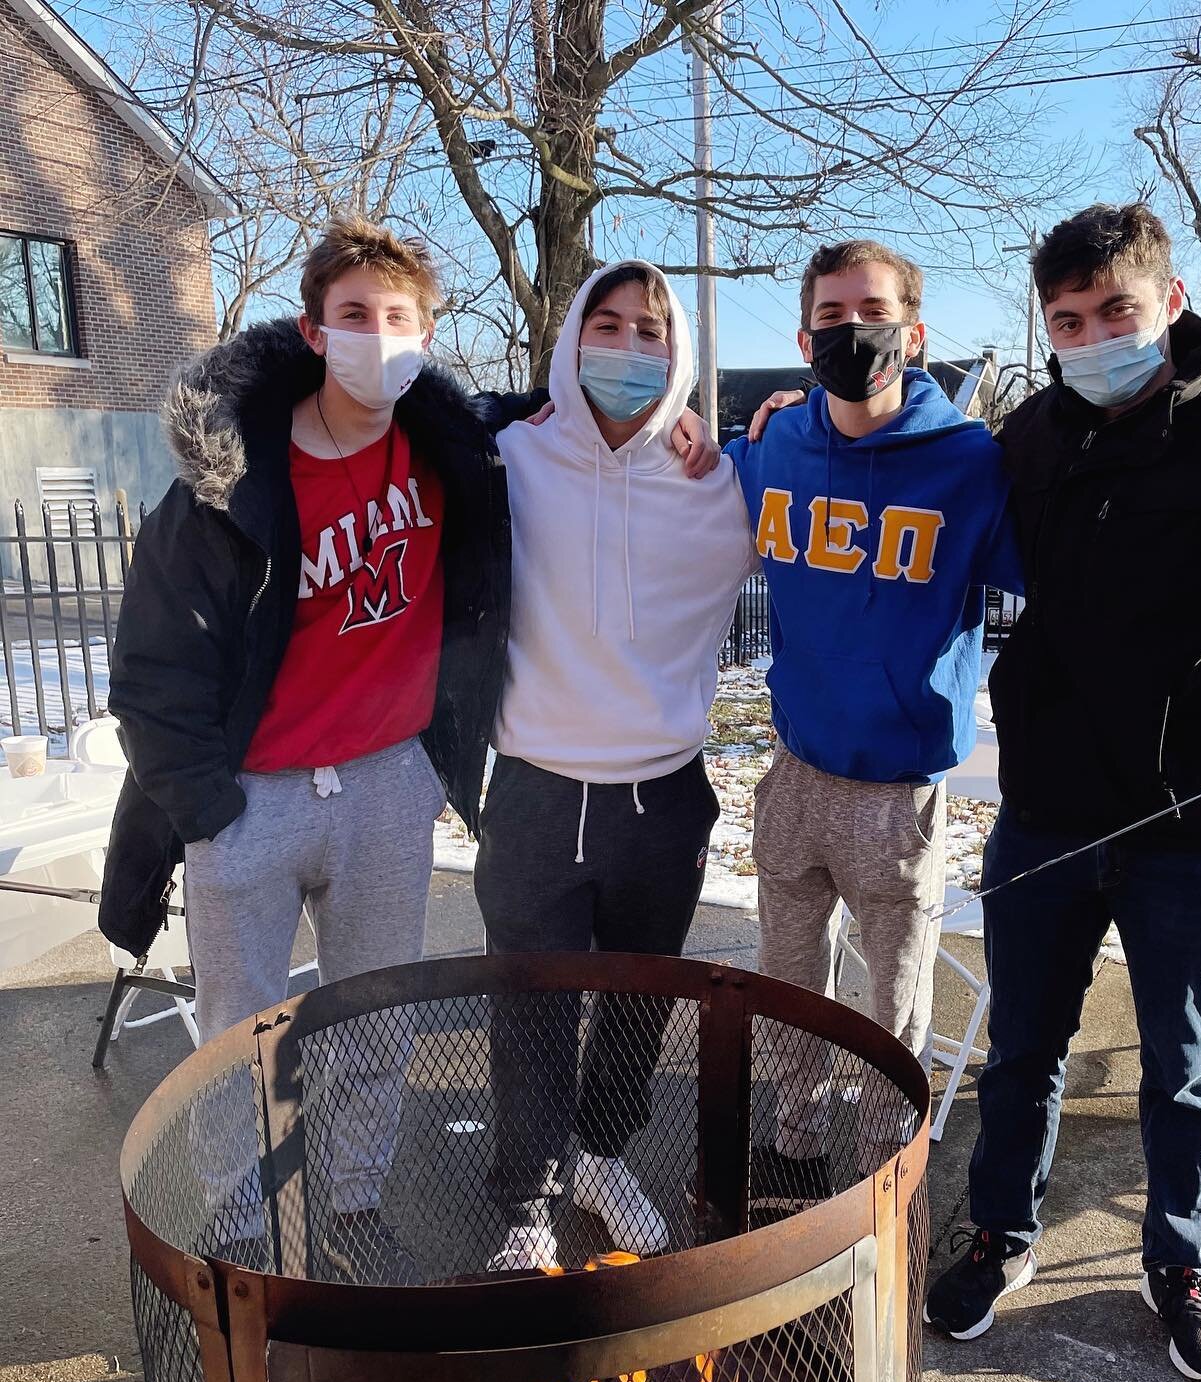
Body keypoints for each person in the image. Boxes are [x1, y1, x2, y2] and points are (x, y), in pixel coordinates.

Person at [98, 219, 712, 1277]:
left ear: (428, 334)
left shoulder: (451, 451)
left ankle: (354, 1200)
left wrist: (687, 420)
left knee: (377, 1018)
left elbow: (555, 415)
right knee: (239, 1036)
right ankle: (240, 1226)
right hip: (251, 794)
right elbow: (151, 665)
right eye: (354, 317)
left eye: (397, 319)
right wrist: (203, 802)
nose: (375, 338)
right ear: (313, 327)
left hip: (387, 780)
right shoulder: (226, 479)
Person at [923, 203, 1201, 1382]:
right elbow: (918, 486)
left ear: (1170, 304)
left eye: (1113, 312)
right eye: (1066, 321)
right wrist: (801, 423)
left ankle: (1177, 1258)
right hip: (1048, 806)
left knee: (1185, 1064)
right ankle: (997, 1232)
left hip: (1196, 816)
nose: (1090, 338)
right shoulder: (1031, 435)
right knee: (1022, 1047)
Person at [728, 239, 1023, 1223]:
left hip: (898, 792)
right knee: (787, 984)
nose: (852, 331)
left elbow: (1079, 567)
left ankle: (885, 1176)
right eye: (831, 315)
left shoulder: (972, 463)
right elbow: (680, 482)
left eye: (873, 309)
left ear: (914, 329)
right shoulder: (774, 445)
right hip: (795, 769)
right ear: (806, 334)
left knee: (891, 1010)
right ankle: (792, 1149)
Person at [475, 259, 759, 1272]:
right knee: (532, 1003)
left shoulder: (718, 482)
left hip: (662, 795)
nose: (631, 348)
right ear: (570, 335)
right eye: (610, 323)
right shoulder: (505, 455)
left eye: (653, 333)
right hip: (537, 791)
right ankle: (526, 1196)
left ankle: (601, 1153)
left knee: (640, 998)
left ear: (679, 357)